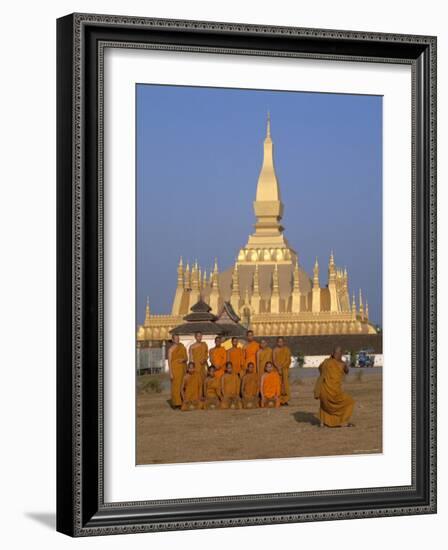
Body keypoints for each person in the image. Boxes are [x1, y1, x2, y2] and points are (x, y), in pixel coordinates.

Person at [314, 346, 355, 427]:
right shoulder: (335, 363)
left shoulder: (328, 362)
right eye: (336, 353)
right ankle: (343, 422)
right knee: (350, 402)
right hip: (333, 392)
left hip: (326, 390)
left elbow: (320, 369)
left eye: (338, 353)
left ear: (340, 354)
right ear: (333, 354)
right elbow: (347, 371)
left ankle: (322, 422)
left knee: (324, 403)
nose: (337, 355)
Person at [168, 334, 188, 408]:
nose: (177, 340)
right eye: (176, 339)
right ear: (173, 340)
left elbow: (186, 358)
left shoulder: (182, 347)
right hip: (175, 369)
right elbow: (169, 362)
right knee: (176, 386)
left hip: (182, 368)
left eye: (178, 338)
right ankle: (176, 403)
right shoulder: (170, 349)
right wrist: (170, 373)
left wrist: (183, 359)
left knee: (182, 385)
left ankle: (182, 401)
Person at [273, 337, 292, 406]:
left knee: (285, 385)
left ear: (283, 342)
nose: (280, 343)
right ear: (277, 342)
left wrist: (282, 367)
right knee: (279, 385)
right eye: (279, 341)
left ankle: (285, 400)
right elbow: (274, 360)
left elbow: (288, 359)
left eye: (281, 341)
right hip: (277, 370)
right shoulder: (275, 350)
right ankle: (280, 400)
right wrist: (278, 368)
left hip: (285, 370)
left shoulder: (287, 350)